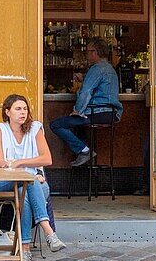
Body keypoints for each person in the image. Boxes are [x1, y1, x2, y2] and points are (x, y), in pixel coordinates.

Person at [0, 93, 66, 261]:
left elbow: (47, 159)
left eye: (25, 109)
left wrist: (20, 163)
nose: (22, 112)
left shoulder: (35, 128)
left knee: (24, 192)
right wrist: (29, 172)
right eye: (18, 109)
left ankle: (25, 250)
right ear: (7, 112)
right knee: (27, 182)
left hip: (35, 184)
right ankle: (48, 231)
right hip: (5, 182)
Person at [49, 37, 123, 167]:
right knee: (79, 127)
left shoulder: (96, 69)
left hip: (98, 112)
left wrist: (78, 110)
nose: (86, 54)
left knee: (56, 124)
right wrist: (84, 78)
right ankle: (84, 153)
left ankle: (84, 151)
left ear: (95, 52)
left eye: (88, 51)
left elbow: (86, 92)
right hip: (111, 113)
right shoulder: (110, 69)